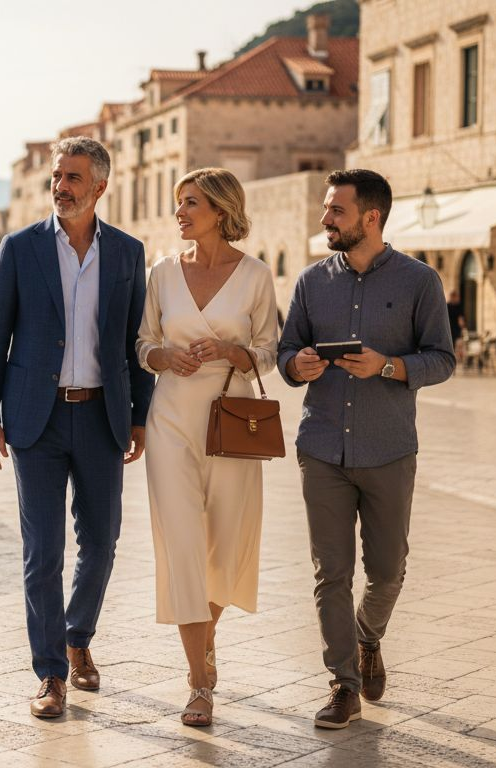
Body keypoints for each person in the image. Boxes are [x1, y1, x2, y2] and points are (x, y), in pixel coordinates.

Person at [0, 136, 153, 719]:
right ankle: (50, 673)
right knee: (43, 551)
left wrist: (139, 416)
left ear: (100, 187)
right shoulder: (20, 247)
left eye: (73, 178)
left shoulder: (127, 253)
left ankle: (78, 635)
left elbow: (134, 343)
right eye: (57, 176)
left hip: (102, 415)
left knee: (102, 541)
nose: (61, 186)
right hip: (36, 418)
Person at [278, 169, 454, 729]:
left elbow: (444, 359)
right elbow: (286, 353)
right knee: (331, 574)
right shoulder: (311, 281)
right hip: (322, 447)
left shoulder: (420, 282)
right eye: (327, 209)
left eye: (335, 211)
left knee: (387, 570)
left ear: (370, 218)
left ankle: (366, 638)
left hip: (389, 448)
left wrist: (391, 365)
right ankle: (343, 685)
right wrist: (295, 365)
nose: (324, 219)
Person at [136, 168, 278, 728]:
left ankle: (206, 637)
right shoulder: (162, 273)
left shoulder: (257, 276)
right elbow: (143, 341)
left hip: (232, 420)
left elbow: (270, 351)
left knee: (225, 542)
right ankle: (199, 682)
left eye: (189, 202)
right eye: (178, 203)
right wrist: (164, 358)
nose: (179, 212)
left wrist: (232, 350)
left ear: (219, 210)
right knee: (182, 545)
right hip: (171, 418)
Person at [446, 289, 466, 364]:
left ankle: (451, 363)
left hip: (449, 330)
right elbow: (461, 321)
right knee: (455, 348)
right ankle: (453, 363)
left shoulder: (447, 306)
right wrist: (463, 328)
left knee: (452, 348)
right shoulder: (458, 307)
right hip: (454, 331)